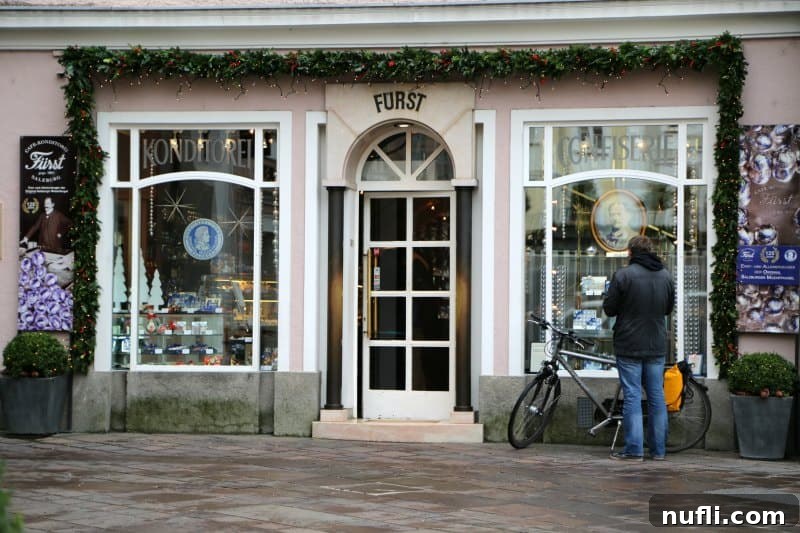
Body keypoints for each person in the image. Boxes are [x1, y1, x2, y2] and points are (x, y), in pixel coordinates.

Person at [602, 235, 674, 461]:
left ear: (631, 252)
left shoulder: (624, 275)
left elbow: (609, 309)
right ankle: (659, 450)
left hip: (629, 344)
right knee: (656, 396)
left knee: (632, 395)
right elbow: (667, 309)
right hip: (656, 344)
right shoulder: (665, 276)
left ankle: (634, 449)